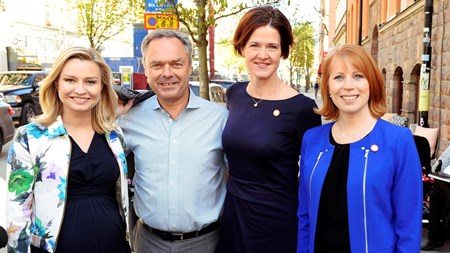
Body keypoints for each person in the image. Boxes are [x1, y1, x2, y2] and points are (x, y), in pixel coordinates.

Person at [297, 44, 422, 252]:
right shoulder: (312, 140)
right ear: (327, 86)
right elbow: (304, 216)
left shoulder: (398, 141)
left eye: (358, 76)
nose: (348, 86)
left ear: (371, 83)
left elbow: (409, 225)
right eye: (338, 77)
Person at [5, 46, 131, 253]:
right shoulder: (30, 136)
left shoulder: (114, 135)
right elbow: (17, 210)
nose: (80, 90)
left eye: (90, 82)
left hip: (114, 244)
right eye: (70, 80)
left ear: (102, 87)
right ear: (56, 84)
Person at [217, 6, 322, 253]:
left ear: (282, 52)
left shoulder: (302, 109)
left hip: (276, 223)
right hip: (234, 215)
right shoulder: (234, 94)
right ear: (242, 47)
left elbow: (311, 179)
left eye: (272, 47)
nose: (263, 55)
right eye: (255, 45)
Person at [116, 29, 228, 252]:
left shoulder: (220, 119)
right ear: (146, 70)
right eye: (156, 65)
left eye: (176, 64)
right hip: (147, 242)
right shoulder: (129, 118)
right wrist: (109, 112)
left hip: (206, 242)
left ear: (189, 67)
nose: (167, 73)